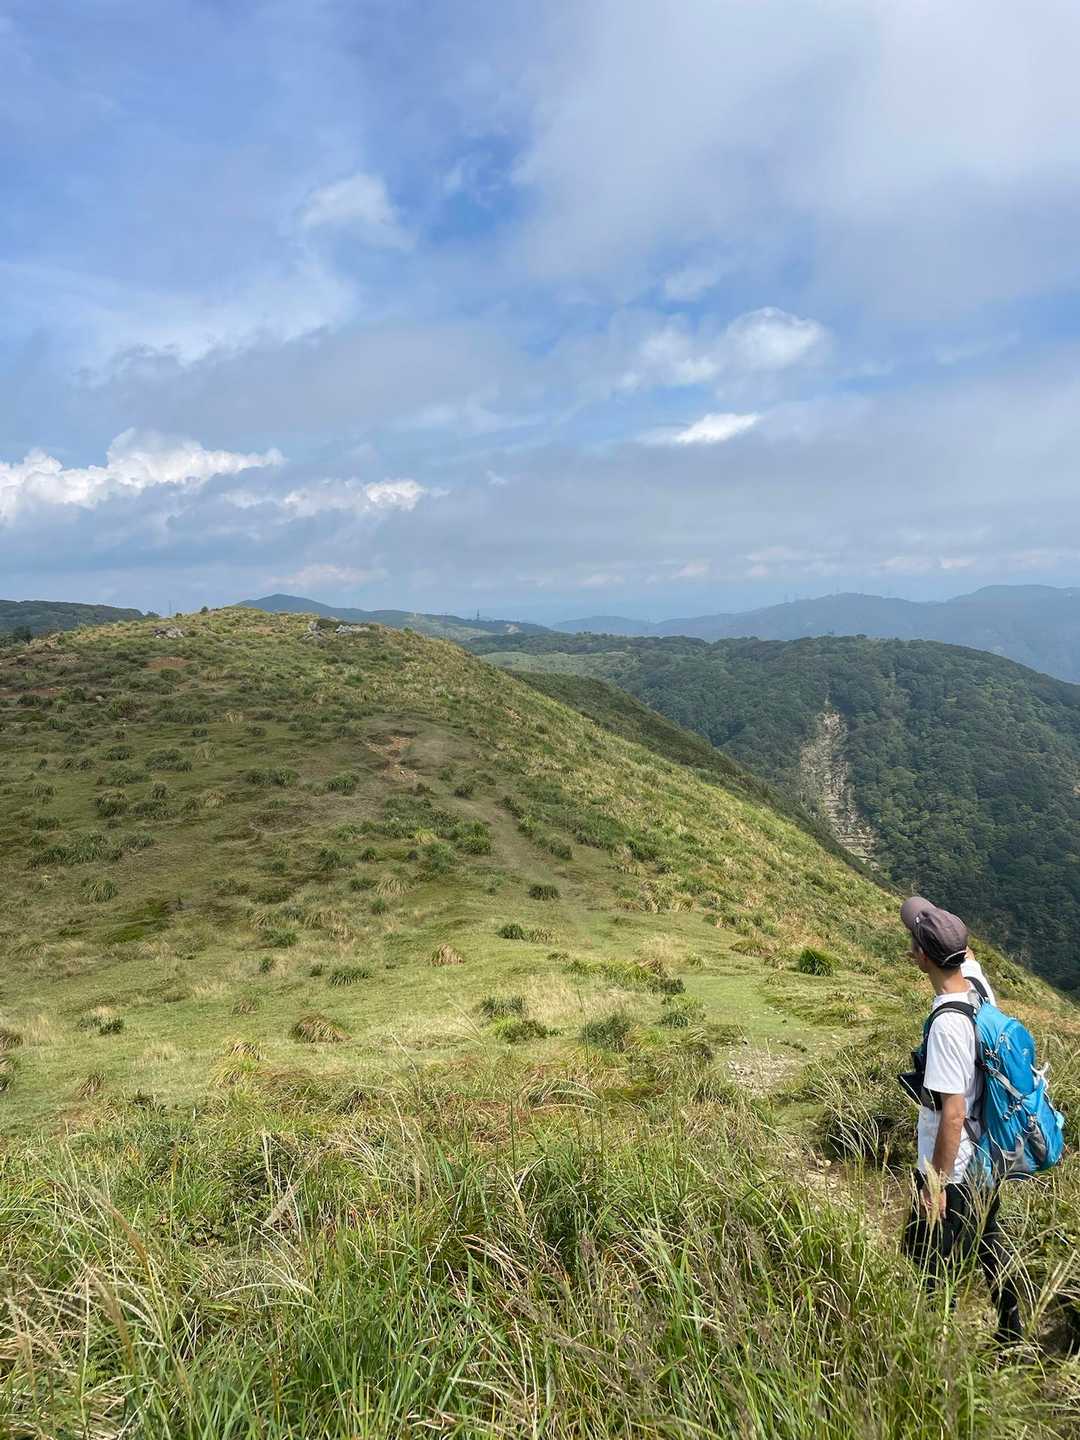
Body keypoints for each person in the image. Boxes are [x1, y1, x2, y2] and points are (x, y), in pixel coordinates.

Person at [898, 897, 1023, 1343]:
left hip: (953, 1167)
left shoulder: (948, 1024)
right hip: (985, 1152)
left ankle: (935, 1349)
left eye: (915, 943)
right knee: (989, 1240)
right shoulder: (977, 984)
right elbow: (965, 954)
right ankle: (1013, 1333)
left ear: (921, 957)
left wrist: (934, 1186)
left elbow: (952, 1115)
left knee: (928, 1261)